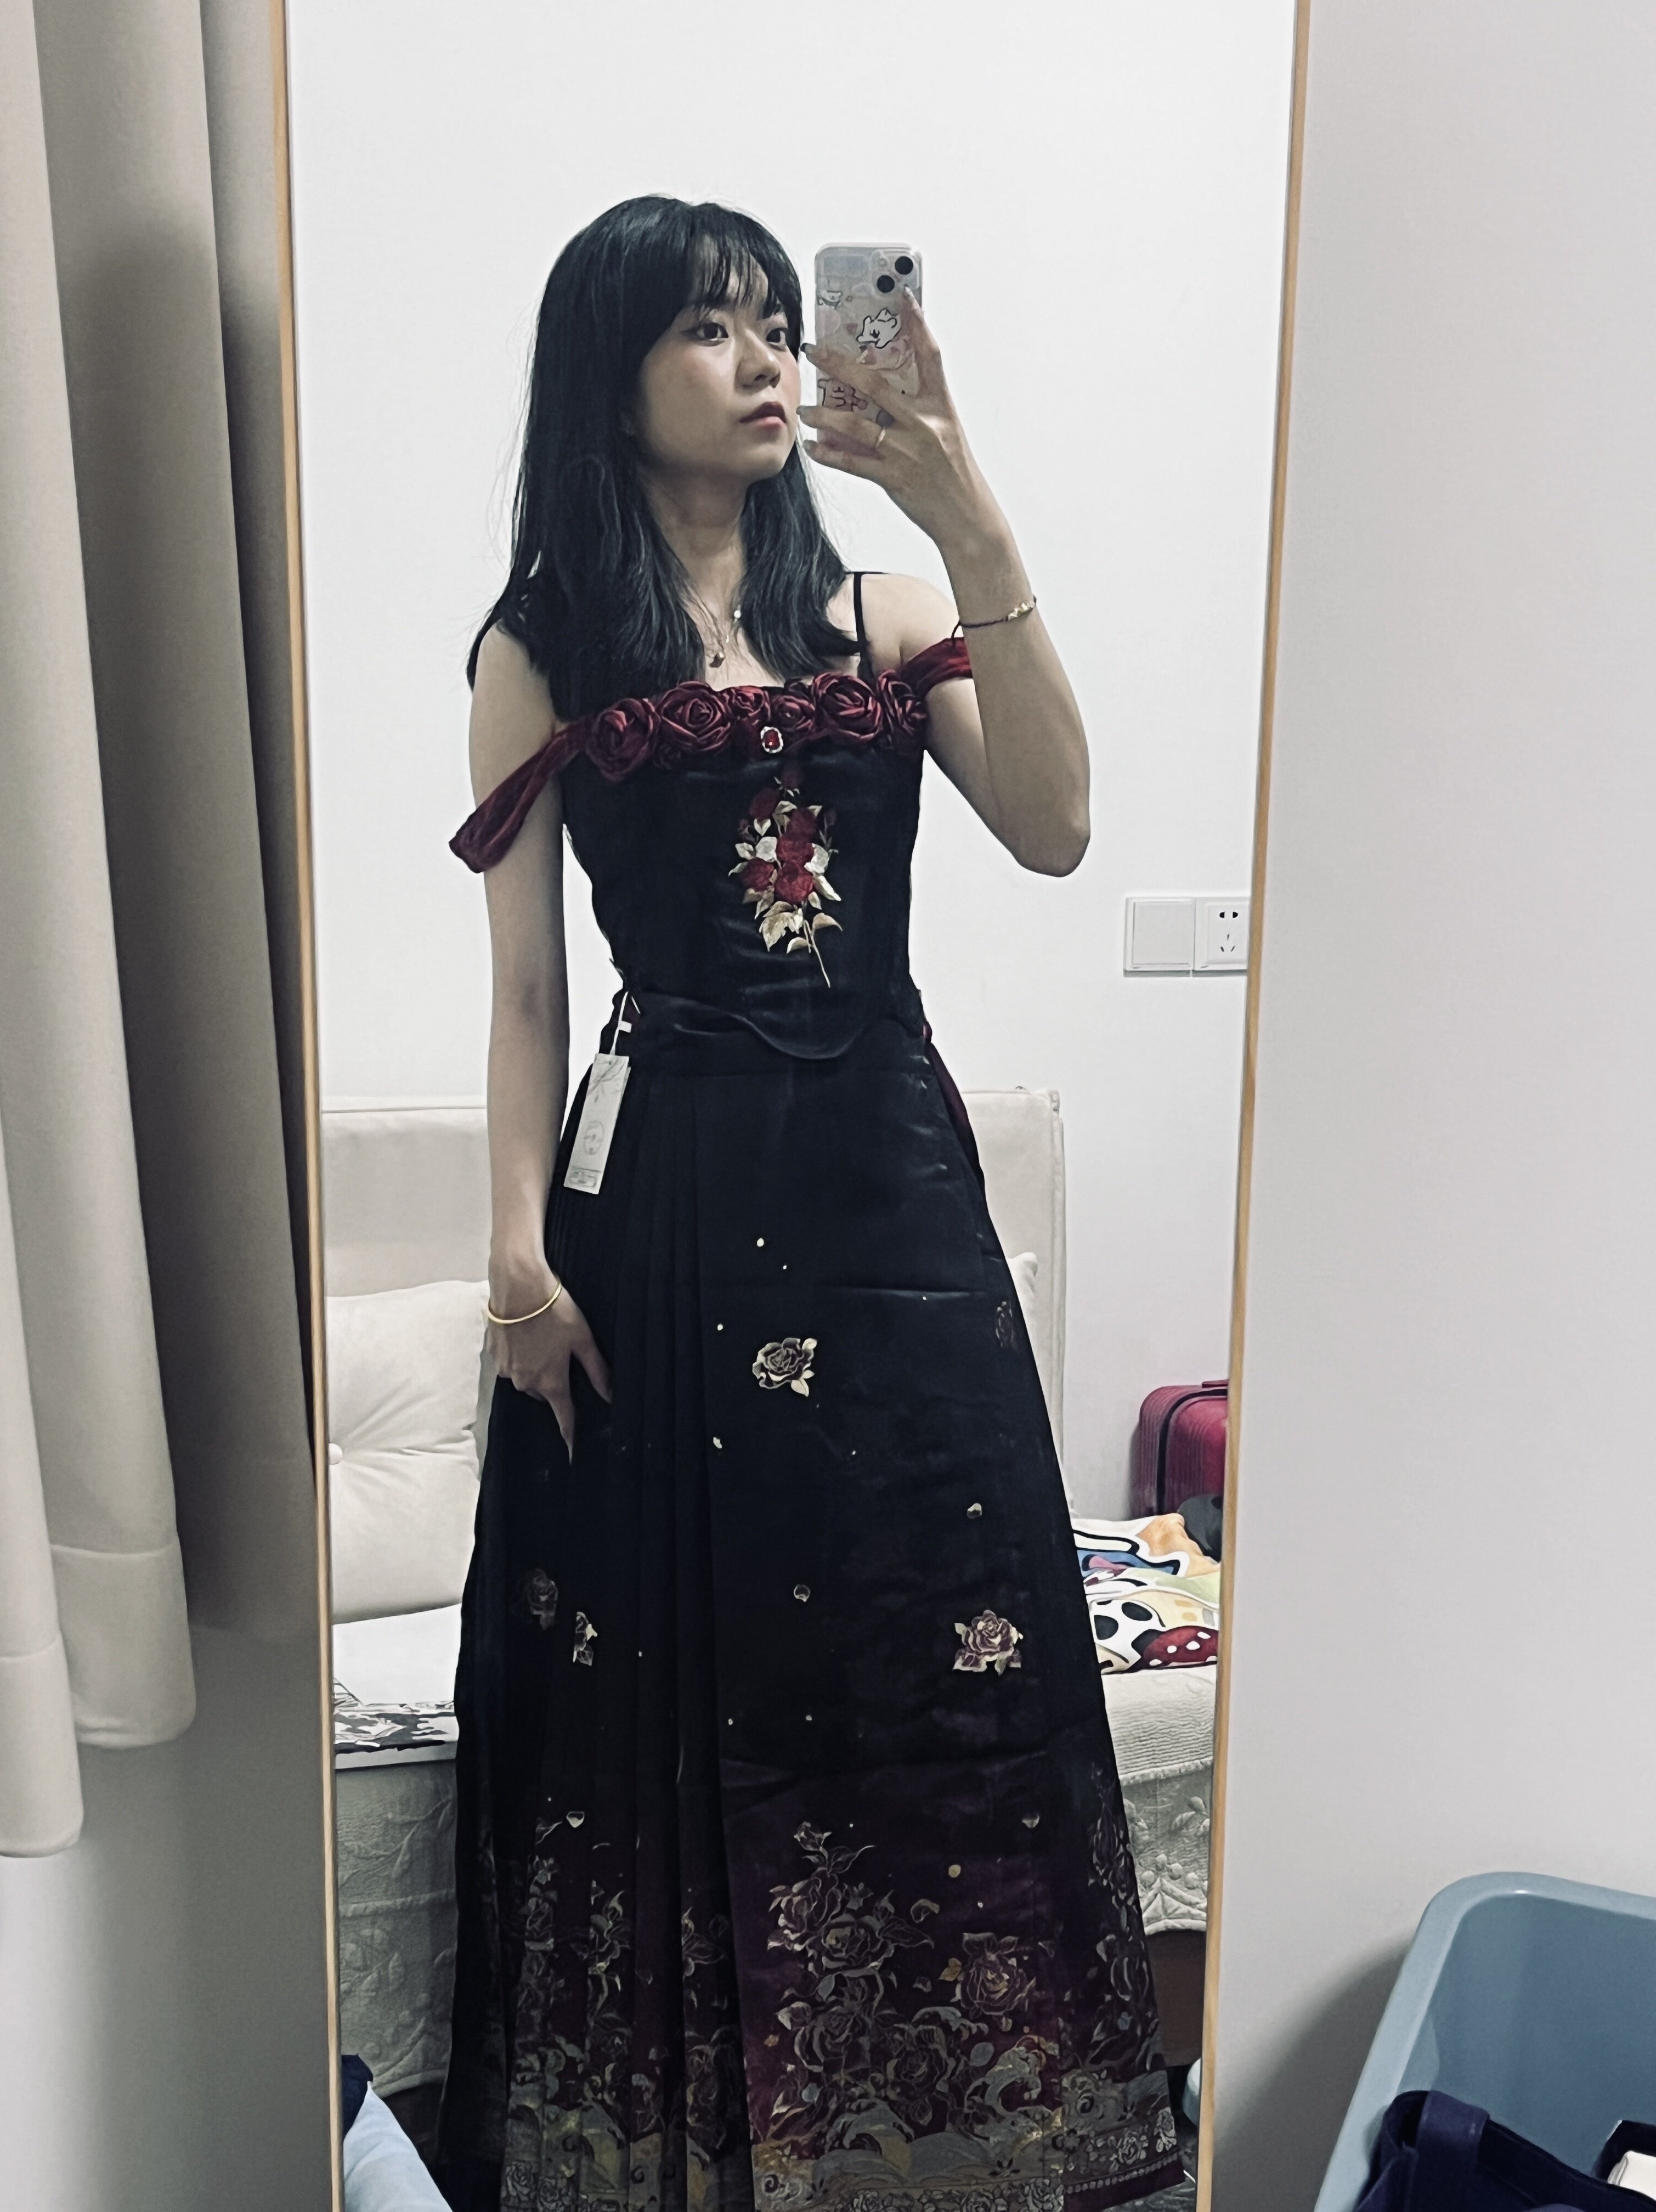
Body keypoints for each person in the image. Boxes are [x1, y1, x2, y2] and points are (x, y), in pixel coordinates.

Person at [433, 195, 1181, 2212]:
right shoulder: (540, 649)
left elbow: (1057, 825)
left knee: (939, 1641)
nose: (768, 359)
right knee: (689, 1679)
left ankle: (941, 2142)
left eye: (780, 321)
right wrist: (514, 1257)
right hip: (668, 1211)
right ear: (612, 379)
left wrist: (968, 507)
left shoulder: (889, 607)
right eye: (713, 327)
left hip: (890, 1199)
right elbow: (527, 994)